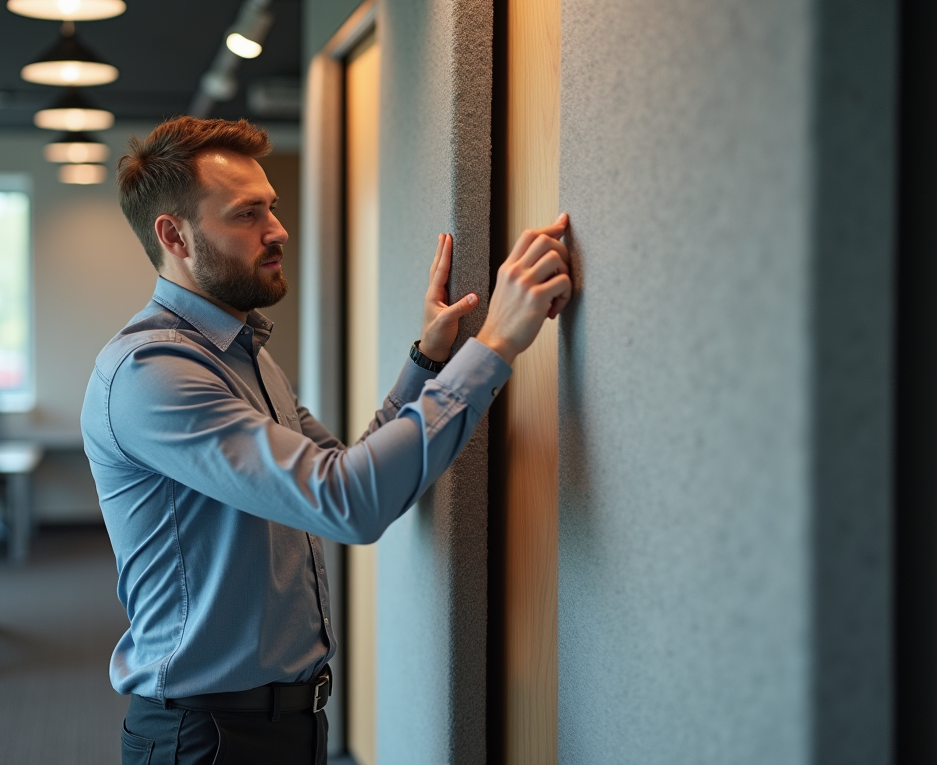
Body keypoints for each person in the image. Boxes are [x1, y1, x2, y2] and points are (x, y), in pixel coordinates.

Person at [81, 116, 571, 765]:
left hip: (291, 723)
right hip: (207, 738)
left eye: (272, 208)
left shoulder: (241, 352)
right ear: (175, 235)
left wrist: (428, 362)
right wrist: (497, 343)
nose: (277, 229)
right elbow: (349, 502)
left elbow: (346, 469)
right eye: (247, 213)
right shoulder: (152, 375)